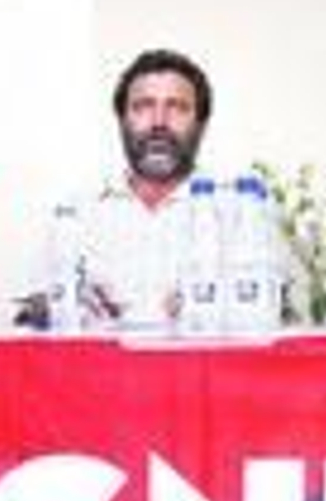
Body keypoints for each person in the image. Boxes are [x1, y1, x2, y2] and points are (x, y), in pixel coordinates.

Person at [21, 47, 213, 328]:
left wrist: (219, 298)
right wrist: (61, 303)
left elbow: (282, 316)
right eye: (143, 106)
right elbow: (30, 311)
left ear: (201, 125)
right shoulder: (75, 210)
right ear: (122, 120)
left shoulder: (239, 212)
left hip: (204, 370)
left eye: (177, 107)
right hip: (95, 372)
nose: (159, 122)